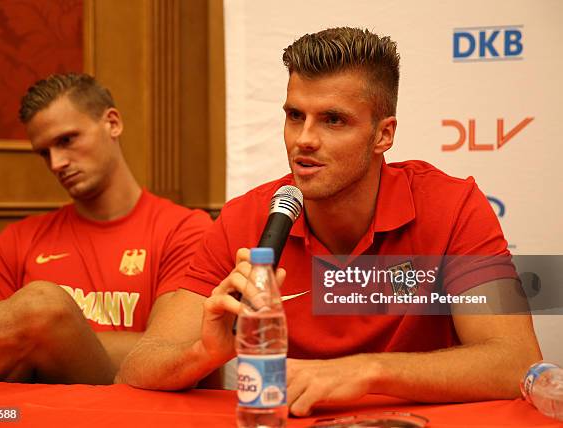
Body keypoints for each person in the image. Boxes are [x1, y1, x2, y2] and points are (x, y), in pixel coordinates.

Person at [117, 28, 542, 415]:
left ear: (383, 135)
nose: (304, 139)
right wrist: (204, 352)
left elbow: (514, 361)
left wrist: (366, 371)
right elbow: (139, 367)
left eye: (333, 120)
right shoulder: (247, 216)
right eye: (295, 116)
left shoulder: (451, 206)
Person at [0, 73, 212, 384]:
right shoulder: (18, 239)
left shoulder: (184, 229)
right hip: (26, 416)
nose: (57, 163)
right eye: (44, 152)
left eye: (66, 140)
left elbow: (170, 355)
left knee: (41, 304)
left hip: (127, 412)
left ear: (112, 123)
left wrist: (40, 331)